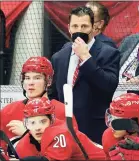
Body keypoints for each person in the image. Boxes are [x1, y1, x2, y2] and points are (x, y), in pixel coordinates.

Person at [48, 6, 120, 144]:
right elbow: (53, 94)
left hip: (94, 129)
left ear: (93, 28)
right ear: (69, 28)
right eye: (75, 26)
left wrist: (86, 58)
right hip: (65, 129)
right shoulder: (59, 57)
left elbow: (109, 85)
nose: (79, 30)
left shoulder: (109, 53)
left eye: (84, 26)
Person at [0, 56, 78, 155]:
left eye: (37, 78)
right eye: (27, 78)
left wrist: (27, 134)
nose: (30, 83)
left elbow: (69, 150)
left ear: (48, 81)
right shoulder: (8, 111)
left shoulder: (62, 111)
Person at [15, 97, 106, 161]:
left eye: (43, 121)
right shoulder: (23, 145)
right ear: (26, 124)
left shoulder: (62, 132)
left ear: (51, 120)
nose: (37, 128)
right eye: (32, 123)